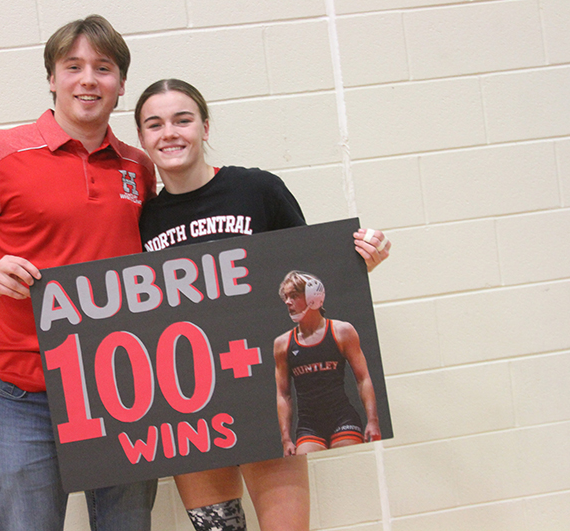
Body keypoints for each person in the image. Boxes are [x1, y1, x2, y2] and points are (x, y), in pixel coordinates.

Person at [0, 15, 158, 531]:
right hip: (26, 392)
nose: (88, 80)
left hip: (122, 386)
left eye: (104, 68)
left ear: (121, 83)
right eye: (73, 66)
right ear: (52, 77)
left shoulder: (138, 166)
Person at [134, 78, 390, 531]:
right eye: (154, 124)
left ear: (206, 127)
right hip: (192, 406)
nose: (169, 132)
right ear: (142, 139)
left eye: (182, 119)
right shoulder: (143, 217)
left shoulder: (258, 190)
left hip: (263, 396)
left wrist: (360, 262)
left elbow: (311, 280)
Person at [275, 272, 380, 456]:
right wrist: (286, 439)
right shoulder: (283, 344)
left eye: (293, 296)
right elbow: (283, 395)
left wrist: (373, 420)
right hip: (309, 424)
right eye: (285, 297)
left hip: (343, 417)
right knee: (309, 465)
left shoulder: (342, 332)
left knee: (349, 466)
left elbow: (363, 379)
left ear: (312, 297)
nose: (287, 302)